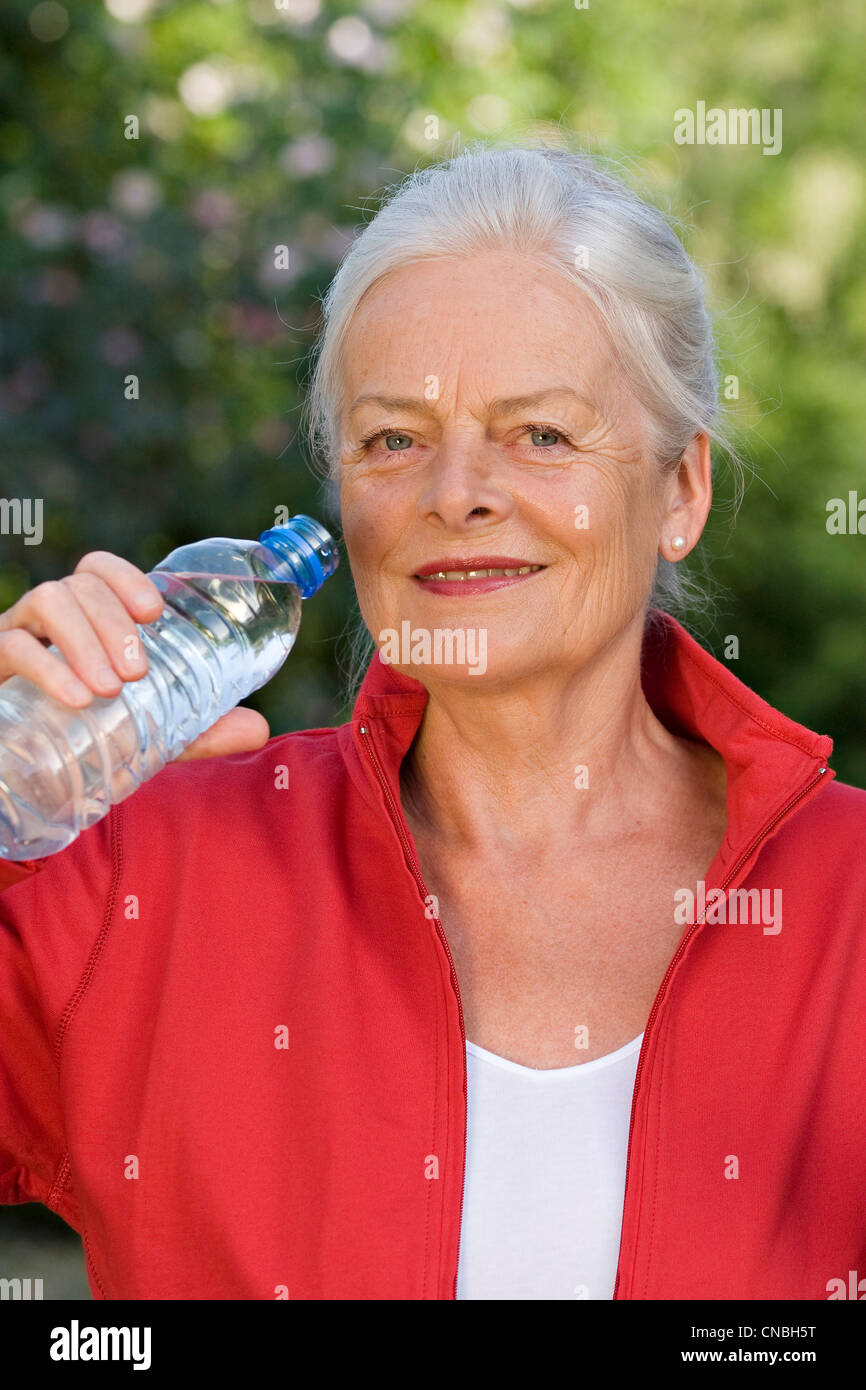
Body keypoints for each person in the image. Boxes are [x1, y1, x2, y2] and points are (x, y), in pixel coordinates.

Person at [1, 142, 864, 1301]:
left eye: (540, 434)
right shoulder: (130, 869)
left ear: (679, 492)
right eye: (392, 439)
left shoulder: (844, 905)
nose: (453, 492)